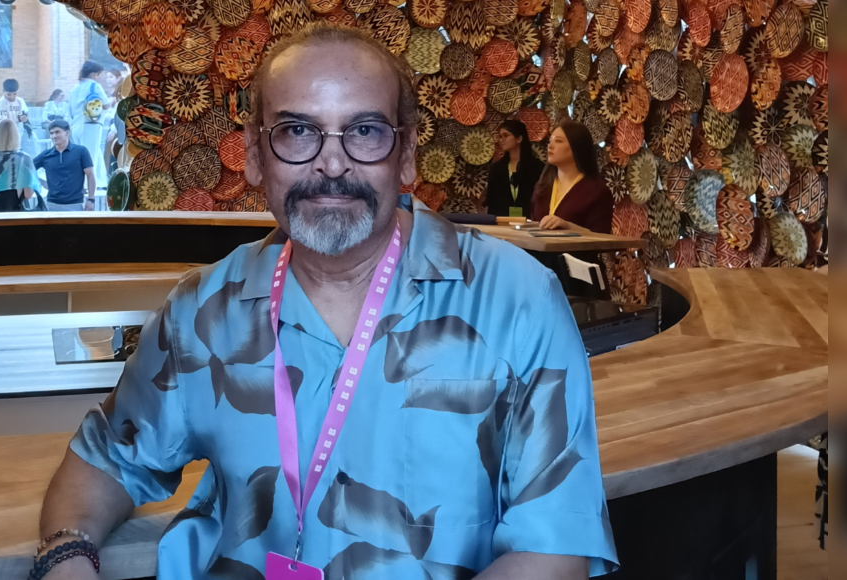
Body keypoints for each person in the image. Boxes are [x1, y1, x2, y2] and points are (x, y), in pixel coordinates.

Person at [38, 23, 616, 580]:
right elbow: (105, 461)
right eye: (298, 131)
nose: (333, 164)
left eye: (364, 131)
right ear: (256, 155)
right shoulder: (202, 311)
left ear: (407, 154)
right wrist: (65, 558)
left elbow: (554, 550)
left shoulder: (517, 300)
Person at [530, 122, 614, 233]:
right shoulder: (542, 185)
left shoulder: (597, 190)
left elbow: (602, 236)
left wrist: (568, 227)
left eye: (558, 141)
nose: (550, 146)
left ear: (577, 147)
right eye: (550, 141)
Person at [485, 119, 545, 219]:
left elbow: (541, 199)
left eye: (505, 135)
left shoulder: (537, 167)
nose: (501, 140)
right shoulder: (496, 168)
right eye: (500, 136)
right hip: (502, 222)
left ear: (519, 139)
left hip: (530, 222)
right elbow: (491, 201)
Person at [34, 120, 96, 212]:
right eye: (51, 133)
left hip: (75, 204)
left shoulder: (81, 151)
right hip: (52, 204)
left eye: (57, 132)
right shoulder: (46, 155)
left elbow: (90, 175)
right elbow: (28, 169)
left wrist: (91, 199)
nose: (54, 136)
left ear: (67, 133)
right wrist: (42, 182)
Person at [69, 62, 112, 187]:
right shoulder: (95, 86)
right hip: (91, 125)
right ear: (94, 74)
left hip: (76, 125)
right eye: (99, 75)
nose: (100, 78)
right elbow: (106, 105)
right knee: (90, 156)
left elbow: (70, 110)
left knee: (92, 153)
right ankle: (87, 185)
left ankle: (101, 182)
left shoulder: (74, 88)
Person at [0, 79, 38, 157]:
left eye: (15, 94)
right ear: (3, 91)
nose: (12, 96)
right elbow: (3, 120)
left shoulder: (19, 101)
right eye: (9, 94)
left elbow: (21, 115)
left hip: (17, 129)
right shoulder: (2, 102)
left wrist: (23, 118)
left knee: (16, 149)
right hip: (5, 130)